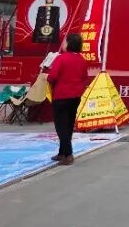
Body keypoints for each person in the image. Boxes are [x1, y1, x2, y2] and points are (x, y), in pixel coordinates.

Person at [48, 32, 89, 165]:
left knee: (61, 126)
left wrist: (48, 78)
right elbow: (84, 78)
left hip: (61, 95)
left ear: (69, 44)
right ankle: (62, 152)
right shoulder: (81, 60)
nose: (63, 43)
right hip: (75, 96)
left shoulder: (61, 58)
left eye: (65, 41)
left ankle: (68, 154)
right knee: (69, 125)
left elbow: (52, 76)